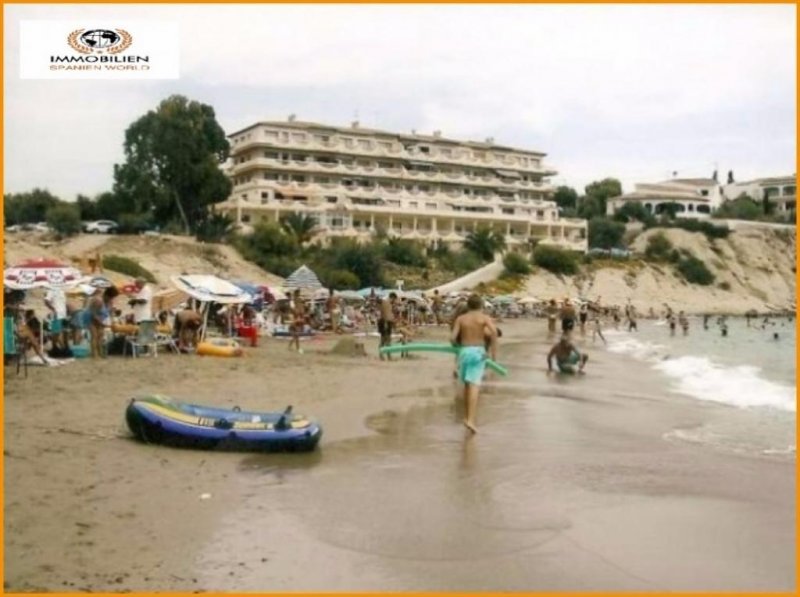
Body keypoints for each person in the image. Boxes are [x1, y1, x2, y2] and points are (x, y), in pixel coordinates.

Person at [450, 294, 498, 434]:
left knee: (466, 384)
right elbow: (494, 333)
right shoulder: (484, 318)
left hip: (464, 352)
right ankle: (471, 420)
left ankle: (466, 417)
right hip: (478, 353)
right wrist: (492, 356)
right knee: (474, 386)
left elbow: (452, 338)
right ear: (481, 305)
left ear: (468, 305)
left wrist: (457, 348)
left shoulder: (461, 318)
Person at [88, 287, 119, 358]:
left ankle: (100, 353)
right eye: (112, 297)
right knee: (94, 336)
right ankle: (94, 354)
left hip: (101, 318)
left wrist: (112, 321)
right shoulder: (98, 300)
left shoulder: (110, 301)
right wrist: (101, 323)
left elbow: (111, 312)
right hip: (90, 318)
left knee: (100, 335)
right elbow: (93, 314)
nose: (112, 299)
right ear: (107, 295)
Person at [44, 287, 69, 351]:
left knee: (62, 332)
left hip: (63, 315)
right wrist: (53, 309)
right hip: (56, 315)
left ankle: (60, 347)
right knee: (56, 332)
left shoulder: (62, 290)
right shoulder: (52, 290)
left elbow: (63, 303)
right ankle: (55, 347)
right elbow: (46, 301)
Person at [377, 292, 398, 360]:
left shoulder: (387, 303)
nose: (395, 301)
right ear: (392, 298)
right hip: (385, 322)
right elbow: (384, 313)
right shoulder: (386, 303)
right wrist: (386, 322)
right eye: (395, 300)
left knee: (385, 339)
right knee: (386, 339)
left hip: (386, 322)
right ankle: (387, 355)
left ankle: (383, 355)